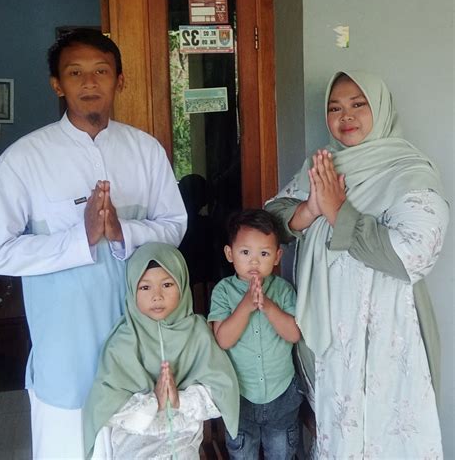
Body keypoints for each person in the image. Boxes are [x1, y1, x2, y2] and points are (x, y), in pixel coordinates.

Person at [0, 28, 187, 458]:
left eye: (101, 71)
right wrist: (81, 237)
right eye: (75, 73)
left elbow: (174, 226)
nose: (89, 82)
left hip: (140, 343)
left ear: (119, 80)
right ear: (57, 84)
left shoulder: (146, 151)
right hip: (66, 353)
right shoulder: (23, 159)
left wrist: (122, 231)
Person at [265, 71, 449, 458]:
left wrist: (338, 211)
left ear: (379, 108)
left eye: (358, 104)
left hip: (390, 330)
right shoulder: (323, 166)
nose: (345, 116)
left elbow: (413, 254)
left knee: (389, 433)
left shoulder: (409, 171)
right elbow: (270, 222)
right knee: (340, 433)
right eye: (335, 108)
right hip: (333, 331)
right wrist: (309, 208)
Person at [83, 242, 239, 459]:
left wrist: (180, 401)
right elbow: (105, 409)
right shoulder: (123, 342)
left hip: (185, 450)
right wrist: (153, 402)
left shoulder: (198, 334)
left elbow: (221, 394)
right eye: (145, 287)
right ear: (131, 289)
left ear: (182, 284)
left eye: (167, 284)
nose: (157, 296)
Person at [207, 209, 303, 459]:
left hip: (282, 394)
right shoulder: (223, 291)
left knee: (281, 452)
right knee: (242, 453)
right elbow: (223, 340)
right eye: (245, 252)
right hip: (240, 397)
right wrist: (245, 306)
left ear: (277, 256)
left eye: (264, 253)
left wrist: (268, 306)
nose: (254, 261)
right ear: (230, 254)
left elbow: (294, 334)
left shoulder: (282, 290)